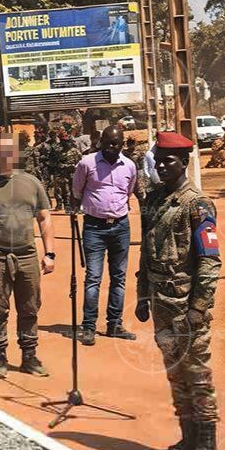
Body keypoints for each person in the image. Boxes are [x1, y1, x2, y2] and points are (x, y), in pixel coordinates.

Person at [136, 132, 221, 450]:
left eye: (168, 160)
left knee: (197, 376)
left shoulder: (197, 204)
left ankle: (208, 448)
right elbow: (147, 253)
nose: (161, 165)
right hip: (161, 304)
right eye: (158, 160)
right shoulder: (155, 200)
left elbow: (210, 259)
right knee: (175, 373)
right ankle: (187, 440)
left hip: (186, 306)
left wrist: (199, 308)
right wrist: (142, 295)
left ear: (184, 162)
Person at [0, 133, 55, 379]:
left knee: (30, 308)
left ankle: (29, 356)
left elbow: (44, 217)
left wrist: (50, 253)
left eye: (9, 154)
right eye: (0, 154)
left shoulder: (32, 182)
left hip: (27, 256)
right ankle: (0, 356)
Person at [71, 126, 137, 346]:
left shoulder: (129, 166)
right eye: (108, 142)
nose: (112, 147)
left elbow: (128, 193)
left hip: (120, 226)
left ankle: (114, 324)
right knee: (93, 278)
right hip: (94, 228)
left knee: (118, 278)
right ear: (100, 142)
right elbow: (77, 191)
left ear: (122, 144)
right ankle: (88, 326)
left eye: (116, 144)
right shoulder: (86, 163)